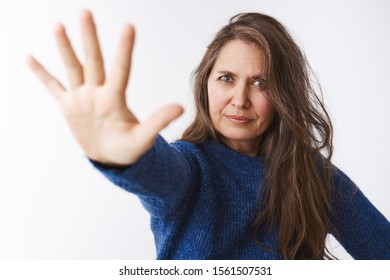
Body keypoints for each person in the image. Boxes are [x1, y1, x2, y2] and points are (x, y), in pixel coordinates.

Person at [27, 10, 390, 260]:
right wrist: (123, 158)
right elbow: (160, 171)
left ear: (283, 95)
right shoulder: (191, 165)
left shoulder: (311, 173)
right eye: (227, 78)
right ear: (206, 84)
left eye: (260, 83)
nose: (240, 100)